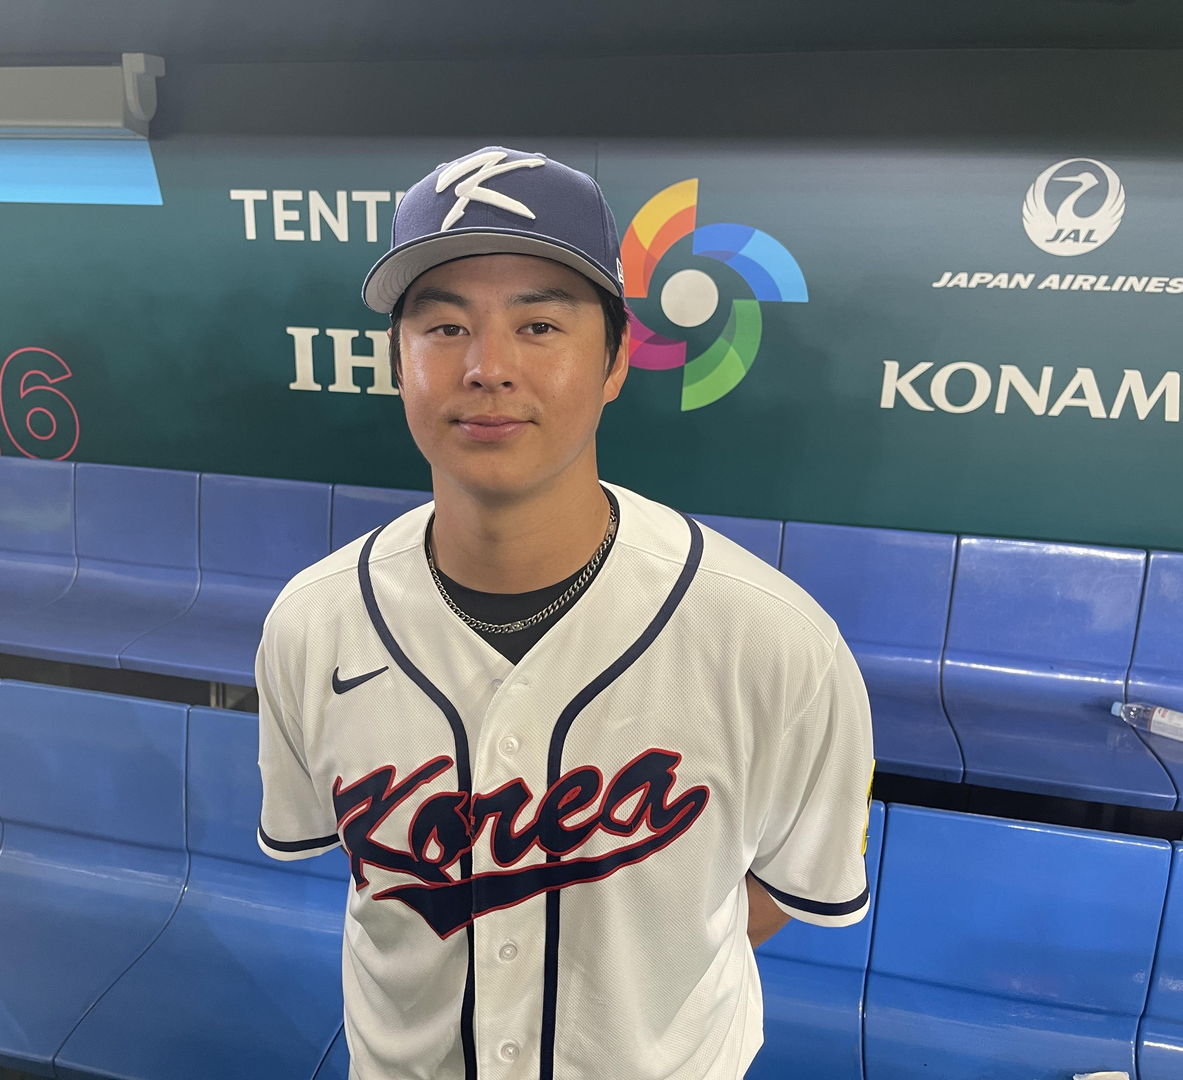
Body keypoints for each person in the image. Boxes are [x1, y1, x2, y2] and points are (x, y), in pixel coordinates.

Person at [256, 146, 875, 1080]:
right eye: (444, 327)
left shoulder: (777, 642)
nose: (488, 367)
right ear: (397, 358)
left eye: (540, 324)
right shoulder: (311, 622)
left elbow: (778, 890)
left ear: (619, 359)